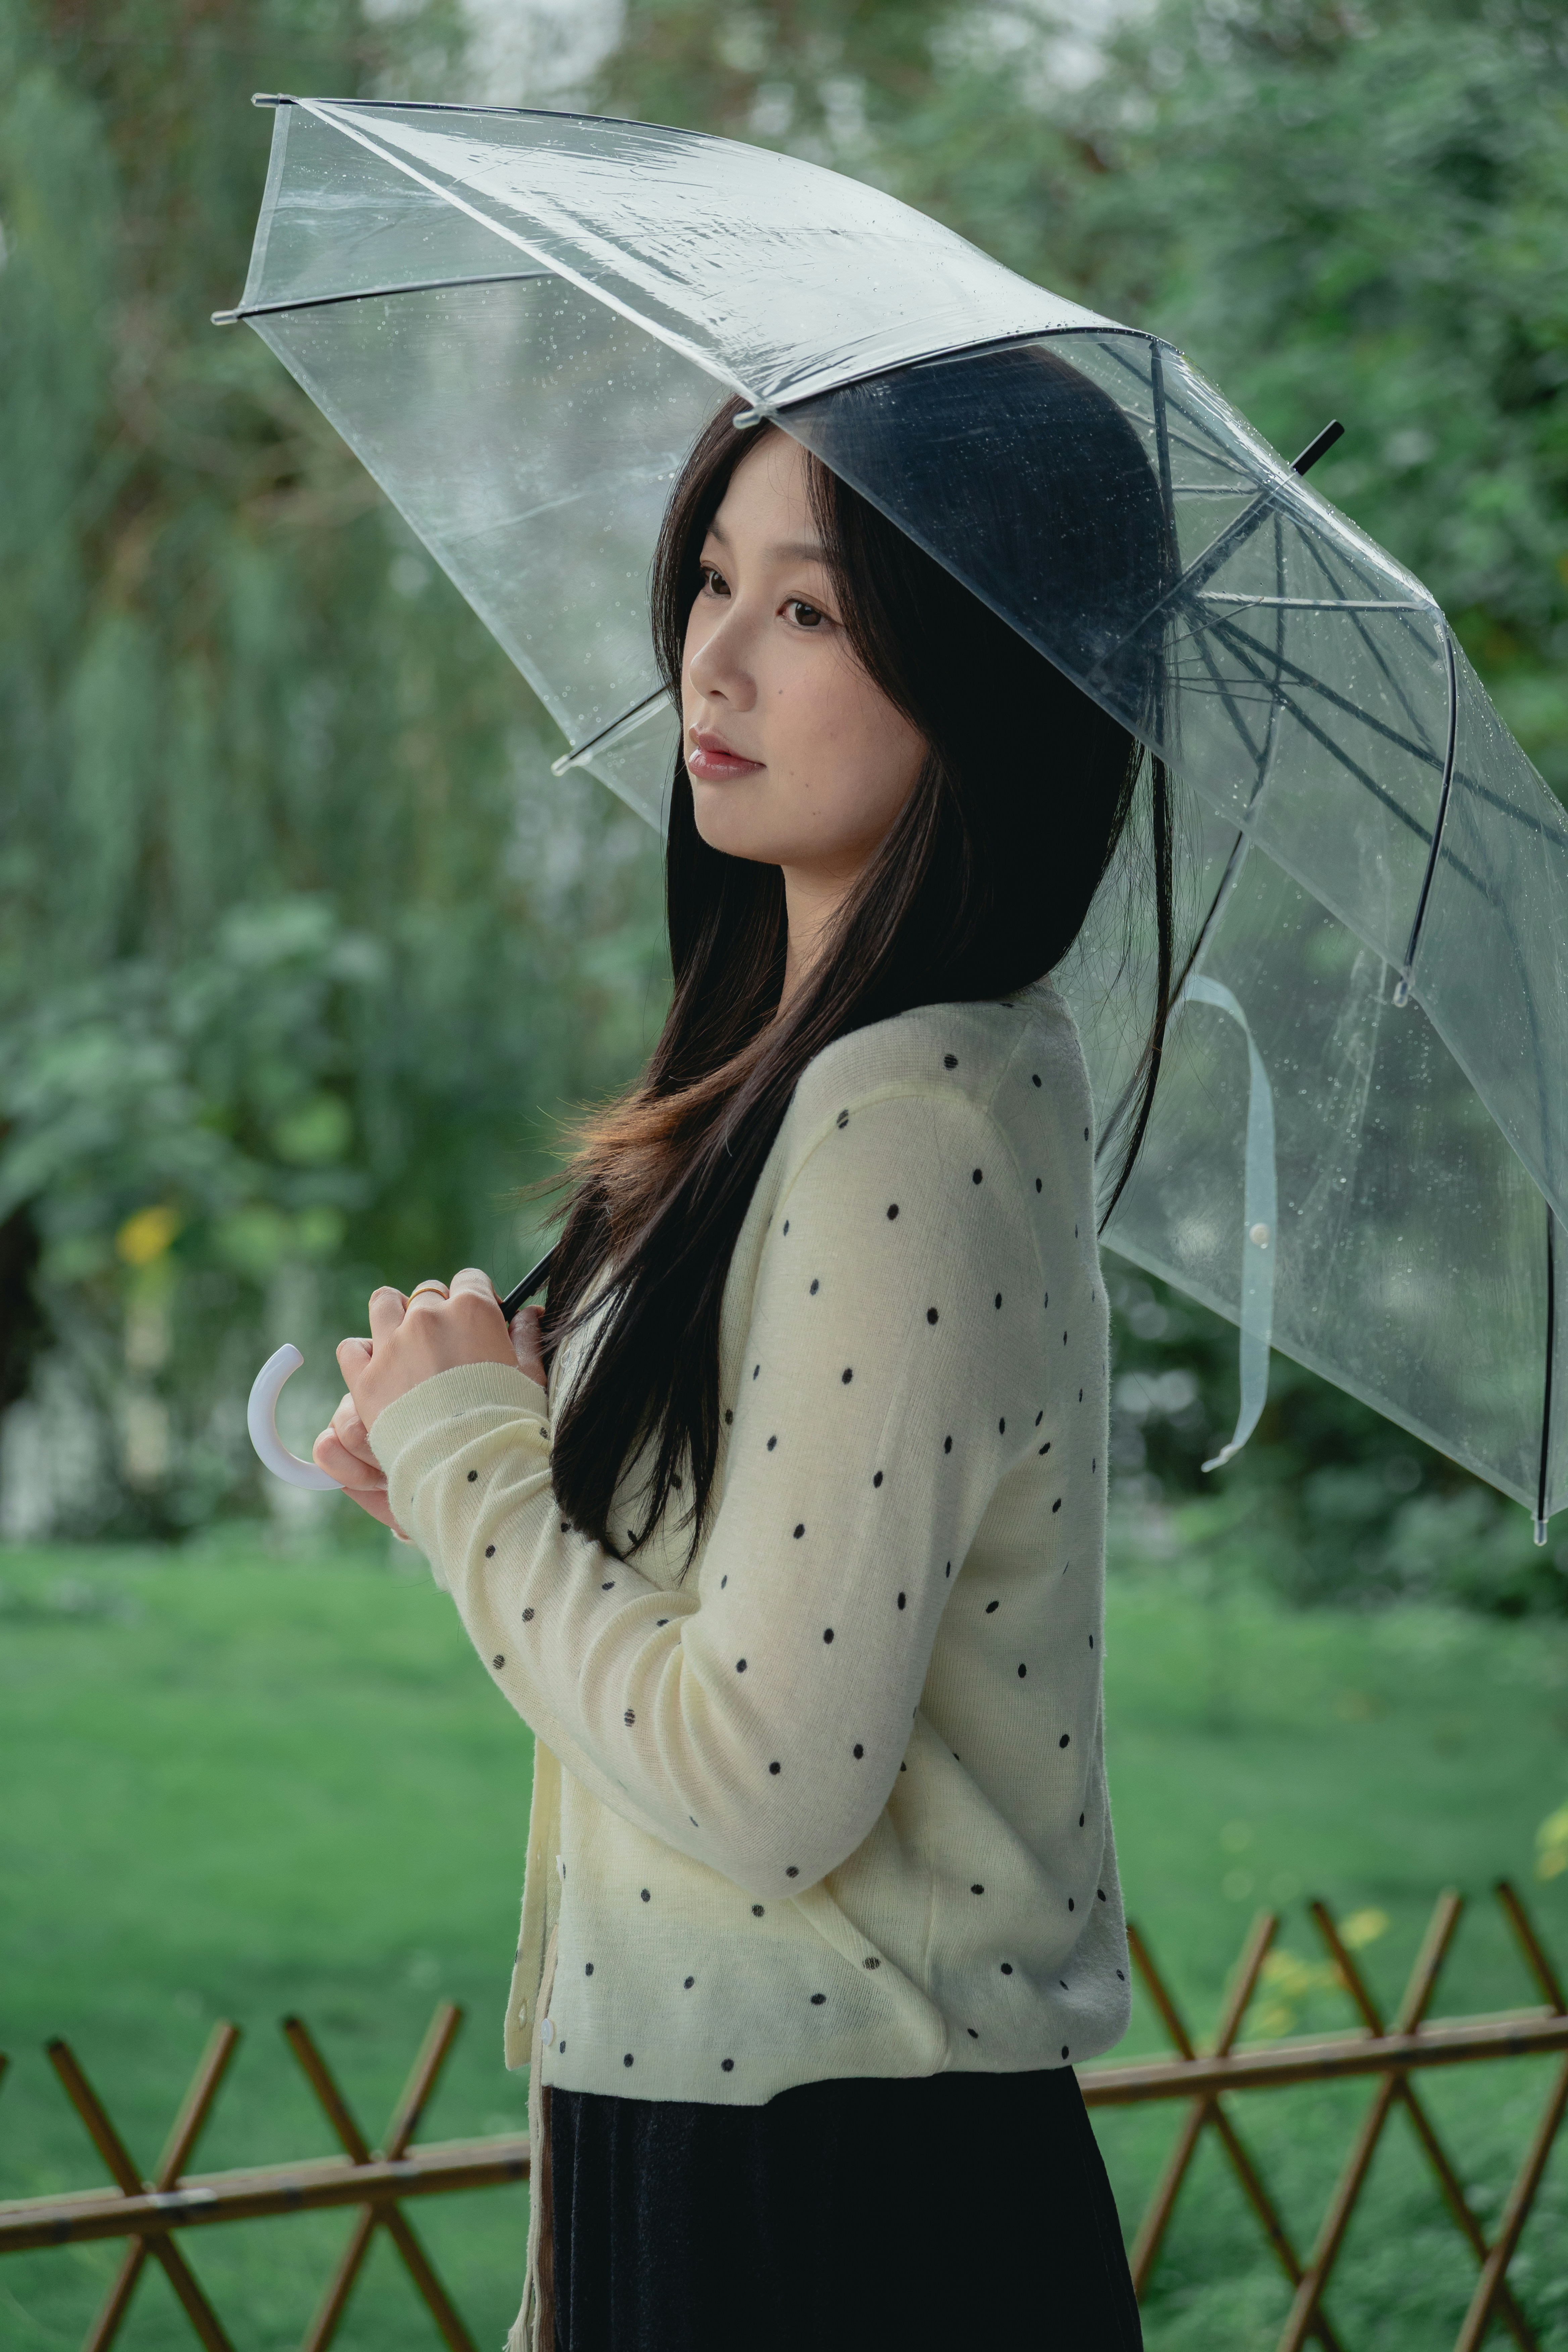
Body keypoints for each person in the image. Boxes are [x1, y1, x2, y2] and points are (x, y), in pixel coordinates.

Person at [315, 350, 1173, 2351]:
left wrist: (474, 1478)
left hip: (833, 2192)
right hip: (722, 2145)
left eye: (811, 611)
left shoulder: (906, 1117)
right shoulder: (805, 1092)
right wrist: (491, 1457)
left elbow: (769, 1776)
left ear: (994, 684)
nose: (714, 665)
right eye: (712, 579)